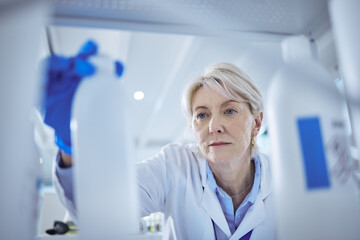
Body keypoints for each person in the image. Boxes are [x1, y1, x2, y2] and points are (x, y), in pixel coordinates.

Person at [44, 41, 276, 240]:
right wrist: (72, 144)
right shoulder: (173, 166)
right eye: (202, 115)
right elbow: (103, 211)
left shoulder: (283, 180)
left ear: (256, 123)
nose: (214, 127)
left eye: (229, 111)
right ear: (193, 127)